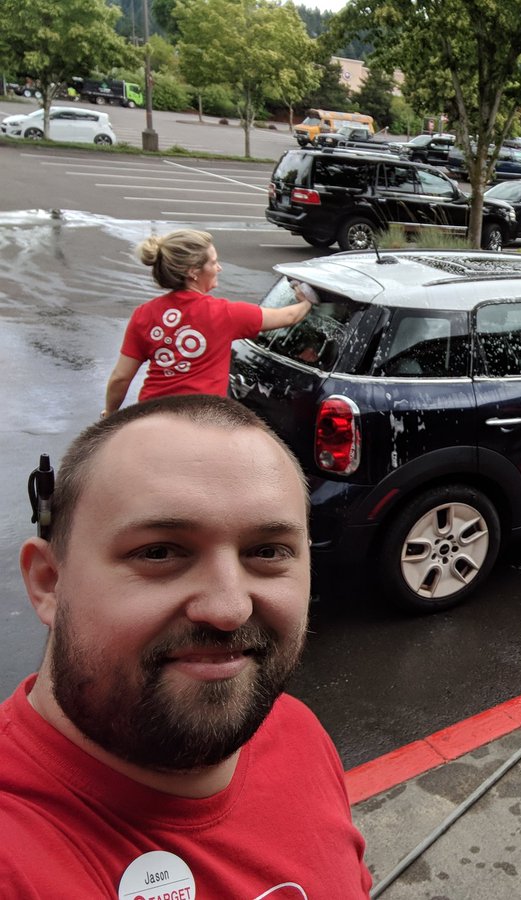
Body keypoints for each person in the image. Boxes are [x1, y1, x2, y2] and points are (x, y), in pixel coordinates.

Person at [1, 394, 372, 896]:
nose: (228, 608)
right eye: (158, 552)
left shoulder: (297, 731)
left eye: (267, 551)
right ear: (49, 582)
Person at [103, 229, 316, 418]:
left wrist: (110, 413)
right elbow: (289, 317)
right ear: (193, 272)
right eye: (213, 262)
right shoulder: (224, 314)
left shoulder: (144, 314)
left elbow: (121, 378)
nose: (219, 268)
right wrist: (307, 301)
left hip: (152, 417)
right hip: (205, 419)